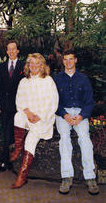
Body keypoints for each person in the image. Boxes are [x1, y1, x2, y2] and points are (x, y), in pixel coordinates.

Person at [54, 51, 99, 195]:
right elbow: (53, 102)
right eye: (65, 60)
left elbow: (90, 102)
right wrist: (64, 114)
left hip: (80, 112)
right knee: (64, 139)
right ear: (63, 62)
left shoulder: (83, 79)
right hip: (63, 113)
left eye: (71, 59)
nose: (68, 62)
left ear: (76, 60)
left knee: (85, 139)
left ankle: (90, 177)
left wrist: (81, 116)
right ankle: (67, 177)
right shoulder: (57, 79)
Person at [11, 53, 59, 188]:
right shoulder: (24, 81)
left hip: (42, 119)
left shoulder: (48, 81)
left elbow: (53, 103)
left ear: (42, 65)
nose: (34, 66)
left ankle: (22, 176)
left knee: (30, 141)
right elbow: (19, 101)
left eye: (37, 63)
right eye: (31, 63)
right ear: (28, 65)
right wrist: (27, 112)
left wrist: (39, 116)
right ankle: (18, 148)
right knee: (17, 116)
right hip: (28, 116)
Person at [0, 40, 25, 172]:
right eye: (9, 49)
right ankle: (6, 161)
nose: (11, 52)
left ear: (18, 50)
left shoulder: (24, 66)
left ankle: (12, 160)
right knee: (6, 132)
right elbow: (0, 88)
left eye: (14, 49)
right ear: (6, 51)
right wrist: (0, 104)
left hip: (20, 106)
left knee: (16, 134)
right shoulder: (0, 67)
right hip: (5, 105)